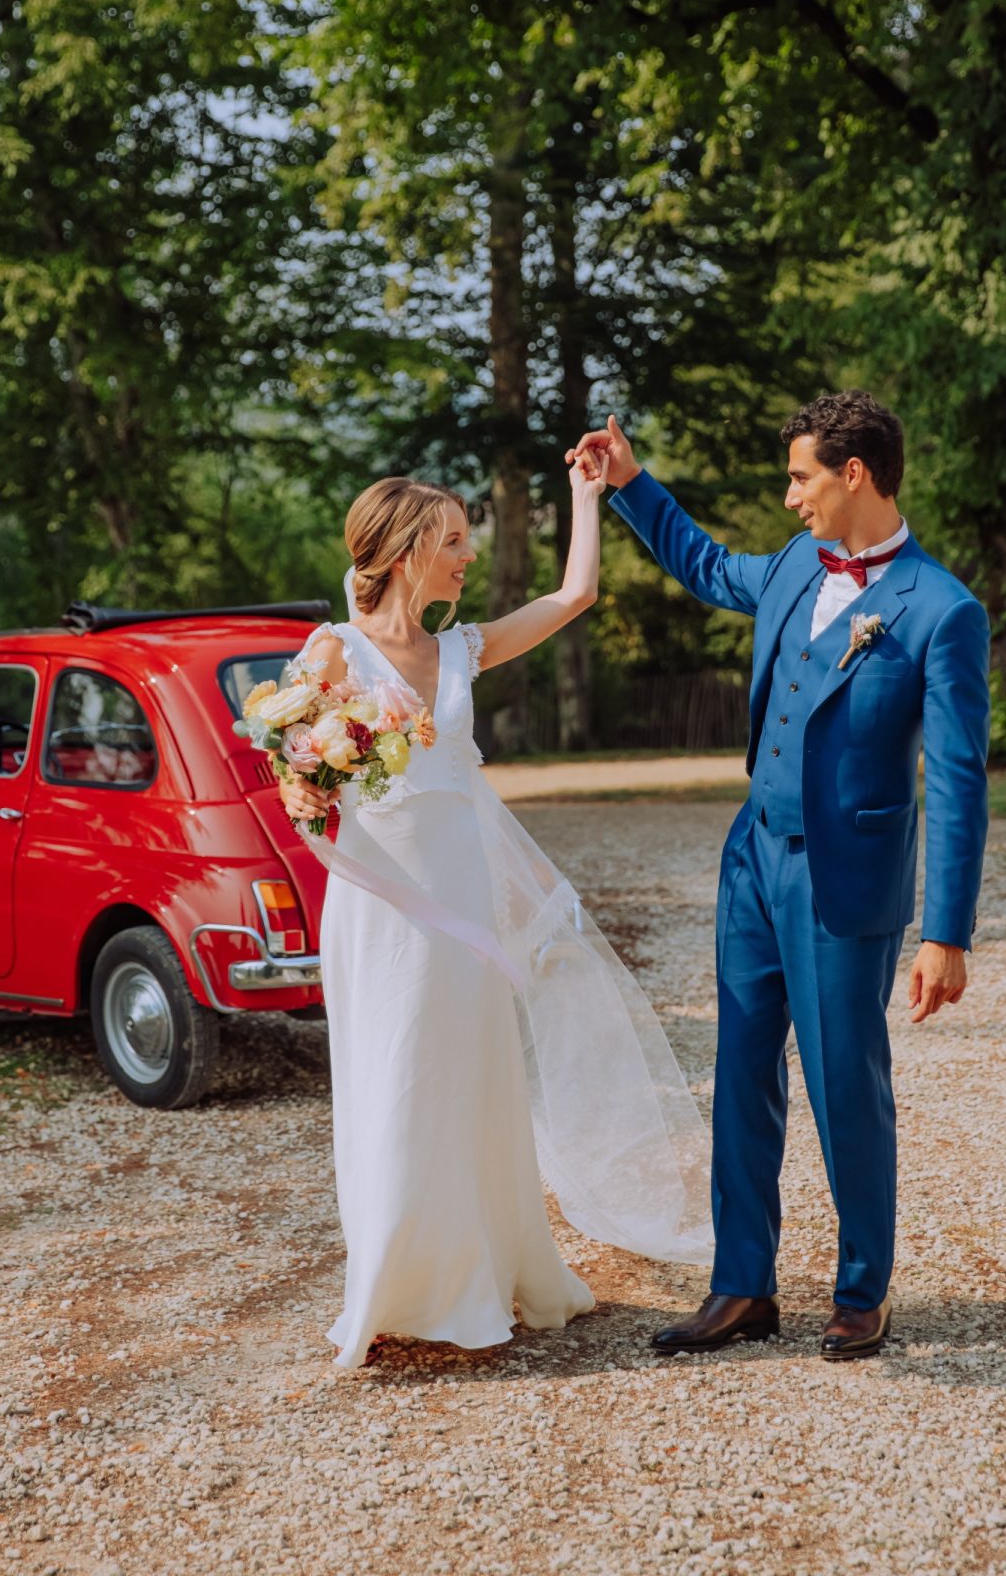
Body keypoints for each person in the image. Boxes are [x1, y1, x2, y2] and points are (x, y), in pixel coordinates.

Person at [569, 392, 989, 1359]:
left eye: (802, 477)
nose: (791, 496)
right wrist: (631, 484)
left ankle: (862, 1291)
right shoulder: (799, 563)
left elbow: (960, 782)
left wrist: (946, 932)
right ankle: (742, 1286)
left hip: (847, 882)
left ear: (854, 474)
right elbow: (710, 565)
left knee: (847, 1088)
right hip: (752, 861)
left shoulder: (943, 611)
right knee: (741, 1078)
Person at [279, 458, 713, 1369]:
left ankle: (481, 1268)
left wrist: (587, 497)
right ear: (405, 552)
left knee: (471, 1081)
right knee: (394, 1080)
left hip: (463, 897)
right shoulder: (332, 651)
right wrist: (314, 776)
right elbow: (294, 766)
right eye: (452, 542)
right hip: (382, 909)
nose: (467, 557)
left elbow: (575, 595)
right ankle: (395, 1283)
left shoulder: (461, 650)